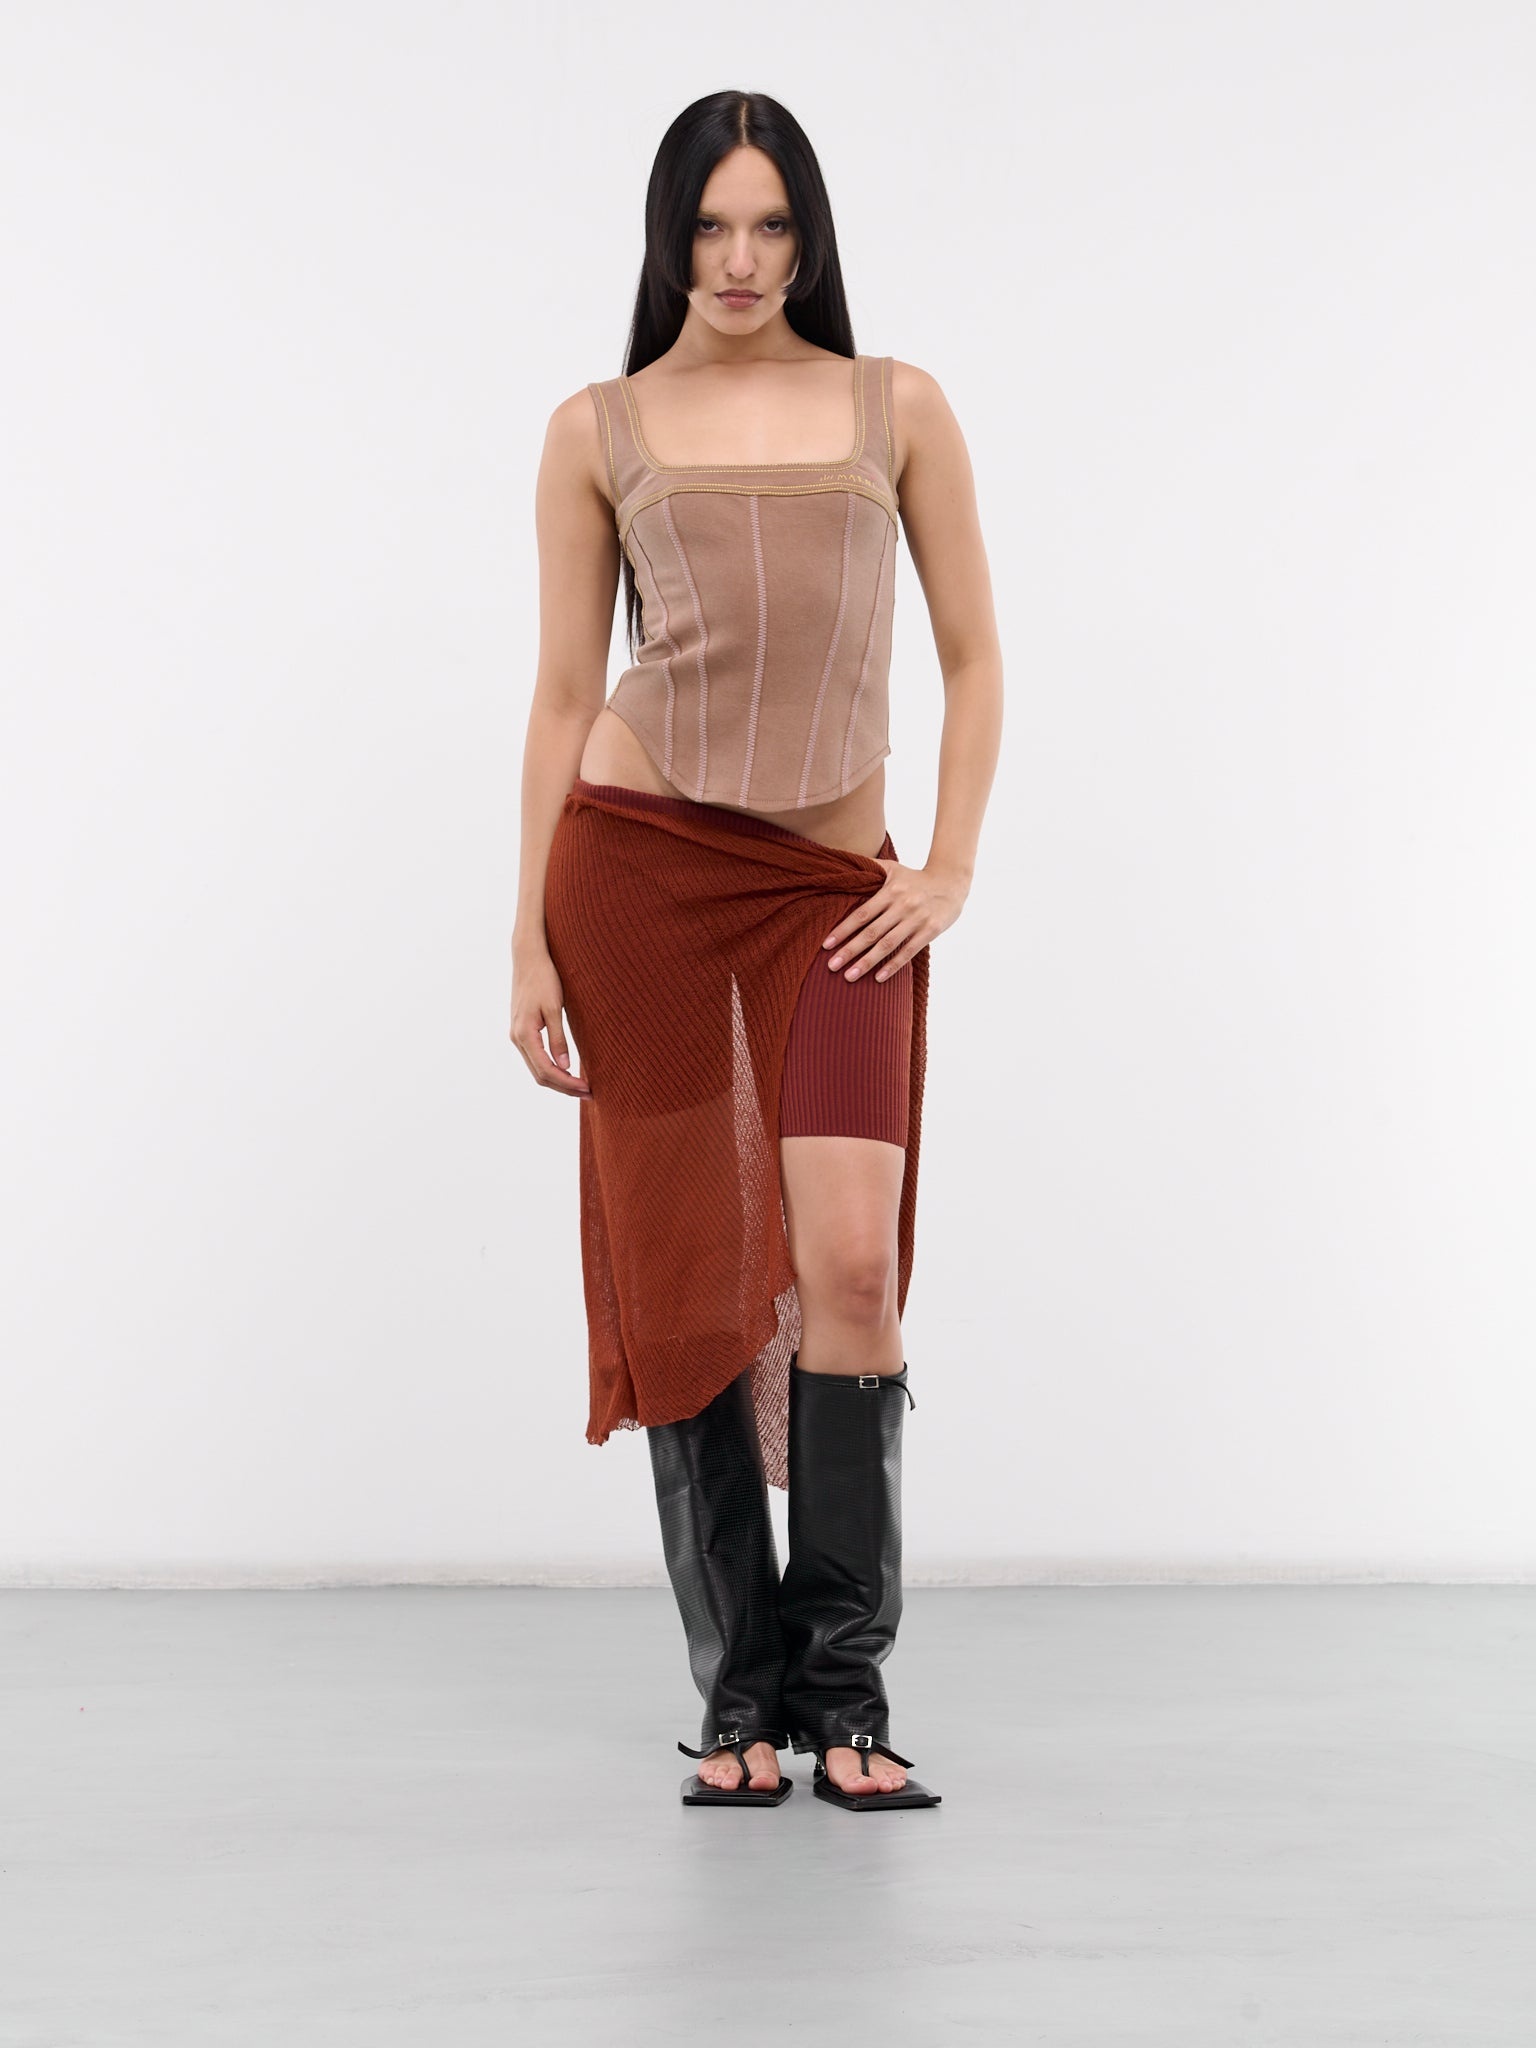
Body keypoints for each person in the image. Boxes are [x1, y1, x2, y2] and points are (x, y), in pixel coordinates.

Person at [509, 90, 1002, 1810]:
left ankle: (846, 1693)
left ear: (811, 237)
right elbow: (563, 696)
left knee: (851, 1270)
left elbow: (975, 657)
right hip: (638, 876)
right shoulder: (597, 427)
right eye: (710, 226)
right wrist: (526, 938)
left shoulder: (896, 406)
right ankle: (741, 1702)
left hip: (835, 894)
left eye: (770, 224)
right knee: (690, 1277)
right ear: (669, 239)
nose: (738, 259)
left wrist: (947, 866)